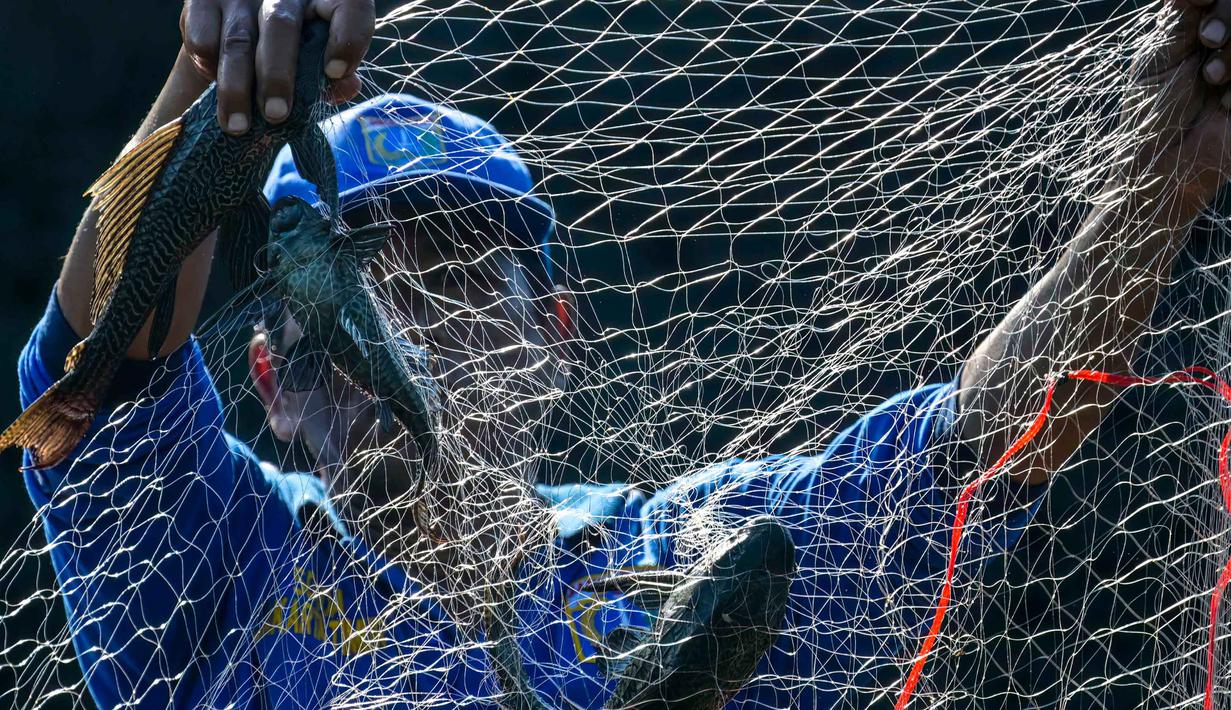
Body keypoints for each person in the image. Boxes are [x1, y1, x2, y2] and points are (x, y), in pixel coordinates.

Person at [17, 0, 1231, 707]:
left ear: (555, 337)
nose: (401, 325)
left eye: (453, 277)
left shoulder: (686, 561)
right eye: (353, 283)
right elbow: (93, 373)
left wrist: (1158, 183)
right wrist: (207, 78)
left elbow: (971, 448)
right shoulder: (222, 561)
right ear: (271, 382)